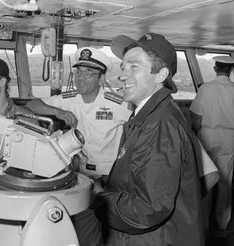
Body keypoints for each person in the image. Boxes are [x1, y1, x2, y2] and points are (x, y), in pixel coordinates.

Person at [80, 33, 204, 246]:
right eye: (123, 67)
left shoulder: (160, 124)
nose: (122, 75)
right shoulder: (147, 115)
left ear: (160, 74)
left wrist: (99, 197)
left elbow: (148, 209)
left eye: (134, 67)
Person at [26, 47, 132, 179]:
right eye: (78, 72)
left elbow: (144, 124)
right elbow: (32, 105)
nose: (81, 78)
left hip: (110, 175)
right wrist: (57, 112)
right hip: (81, 172)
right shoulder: (69, 99)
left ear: (101, 78)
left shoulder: (116, 104)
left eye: (88, 73)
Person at [190, 56, 234, 230]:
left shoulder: (206, 89)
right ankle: (223, 222)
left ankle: (204, 223)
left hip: (207, 135)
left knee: (206, 178)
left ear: (215, 68)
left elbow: (196, 117)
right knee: (225, 180)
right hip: (229, 136)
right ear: (230, 70)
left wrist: (195, 135)